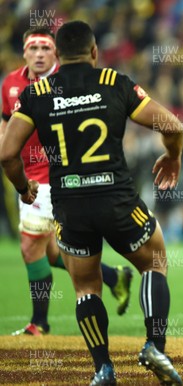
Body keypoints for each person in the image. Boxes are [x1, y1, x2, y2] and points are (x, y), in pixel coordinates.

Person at [0, 21, 183, 385]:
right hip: (116, 197)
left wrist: (23, 187)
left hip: (68, 205)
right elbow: (173, 126)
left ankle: (103, 368)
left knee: (85, 287)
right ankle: (154, 345)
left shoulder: (37, 92)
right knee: (155, 261)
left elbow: (7, 154)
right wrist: (172, 157)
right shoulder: (114, 82)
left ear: (59, 55)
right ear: (94, 51)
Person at [0, 27, 133, 337]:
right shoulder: (11, 84)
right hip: (27, 172)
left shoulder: (65, 84)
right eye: (33, 48)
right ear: (24, 53)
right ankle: (115, 276)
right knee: (49, 252)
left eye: (45, 48)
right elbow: (7, 126)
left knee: (29, 247)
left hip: (52, 177)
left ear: (56, 53)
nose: (39, 54)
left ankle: (40, 323)